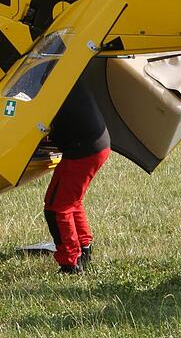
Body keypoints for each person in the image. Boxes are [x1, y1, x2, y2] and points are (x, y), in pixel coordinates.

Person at [44, 81, 111, 274]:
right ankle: (84, 249)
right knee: (71, 201)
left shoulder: (46, 81)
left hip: (84, 150)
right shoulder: (66, 74)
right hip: (97, 145)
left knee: (56, 207)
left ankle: (70, 263)